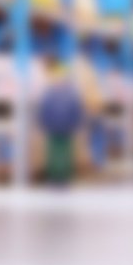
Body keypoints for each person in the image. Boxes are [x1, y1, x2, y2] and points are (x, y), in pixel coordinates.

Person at [34, 58, 85, 187]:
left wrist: (42, 122)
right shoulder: (71, 91)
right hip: (65, 125)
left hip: (54, 125)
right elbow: (77, 108)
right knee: (63, 151)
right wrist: (76, 122)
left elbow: (44, 108)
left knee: (55, 151)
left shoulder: (50, 90)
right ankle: (63, 175)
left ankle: (56, 175)